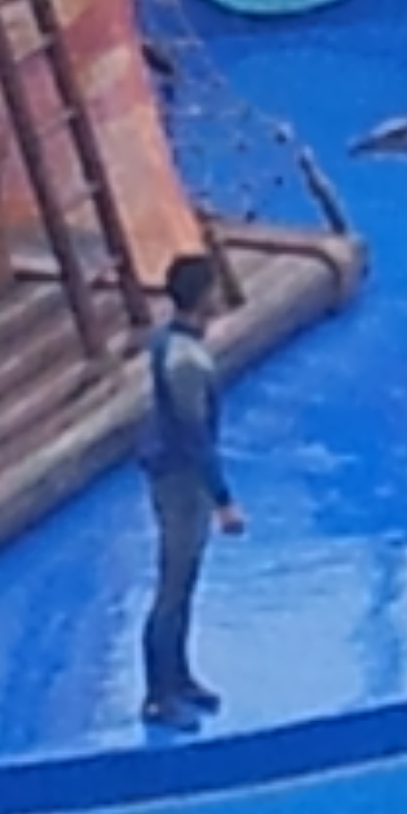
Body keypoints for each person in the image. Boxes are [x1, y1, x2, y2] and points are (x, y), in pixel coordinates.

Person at [140, 250, 247, 729]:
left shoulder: (174, 342)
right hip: (180, 482)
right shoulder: (184, 360)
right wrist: (223, 499)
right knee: (173, 584)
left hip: (180, 473)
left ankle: (179, 677)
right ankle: (157, 696)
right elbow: (194, 434)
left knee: (185, 582)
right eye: (215, 288)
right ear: (203, 296)